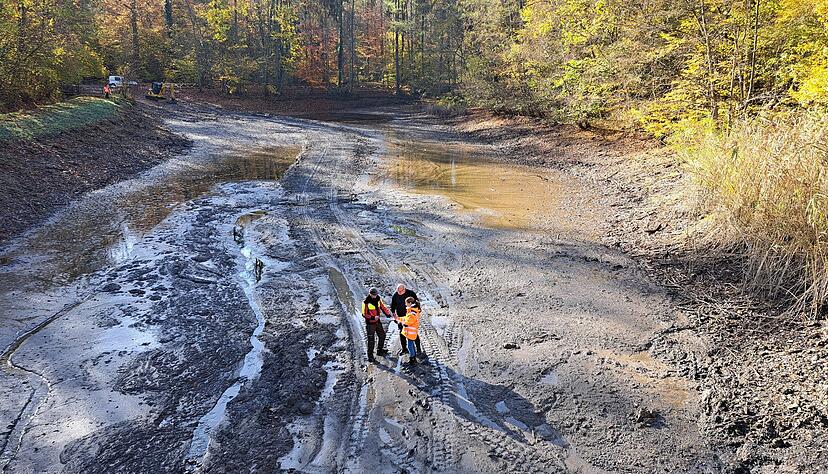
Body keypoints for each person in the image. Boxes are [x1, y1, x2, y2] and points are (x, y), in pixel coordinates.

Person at [390, 283, 423, 357]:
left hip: (411, 317)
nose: (399, 293)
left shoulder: (411, 293)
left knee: (413, 334)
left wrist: (416, 313)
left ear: (404, 289)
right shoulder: (395, 295)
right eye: (398, 291)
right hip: (401, 316)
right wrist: (394, 314)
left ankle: (418, 349)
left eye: (401, 291)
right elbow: (392, 305)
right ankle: (404, 349)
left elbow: (417, 304)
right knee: (402, 333)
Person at [362, 287, 390, 362]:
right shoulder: (365, 302)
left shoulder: (378, 299)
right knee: (371, 340)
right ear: (370, 294)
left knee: (382, 335)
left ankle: (379, 351)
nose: (375, 296)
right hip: (370, 324)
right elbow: (364, 314)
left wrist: (387, 314)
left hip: (377, 322)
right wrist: (373, 317)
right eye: (373, 295)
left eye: (376, 294)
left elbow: (382, 307)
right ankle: (370, 357)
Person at [401, 297, 421, 366]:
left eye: (406, 303)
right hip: (412, 332)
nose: (405, 304)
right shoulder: (413, 309)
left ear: (410, 303)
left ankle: (412, 359)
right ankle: (413, 356)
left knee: (410, 346)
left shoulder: (412, 312)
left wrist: (404, 323)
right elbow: (408, 318)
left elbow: (409, 321)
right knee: (411, 344)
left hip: (411, 332)